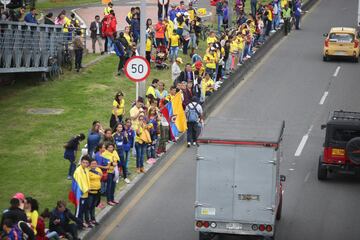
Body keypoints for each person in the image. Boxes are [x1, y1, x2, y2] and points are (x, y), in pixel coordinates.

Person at [73, 155, 90, 226]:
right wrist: (86, 189)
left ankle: (80, 224)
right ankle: (77, 225)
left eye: (86, 163)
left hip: (86, 194)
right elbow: (79, 183)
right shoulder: (78, 171)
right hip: (80, 194)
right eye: (84, 162)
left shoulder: (86, 169)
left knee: (82, 210)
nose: (85, 164)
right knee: (78, 211)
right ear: (81, 162)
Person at [88, 159, 102, 225]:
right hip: (90, 192)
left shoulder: (98, 169)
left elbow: (101, 176)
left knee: (93, 206)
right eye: (92, 164)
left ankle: (93, 219)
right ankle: (88, 220)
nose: (94, 165)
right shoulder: (87, 171)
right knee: (89, 206)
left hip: (97, 191)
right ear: (90, 164)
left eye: (95, 163)